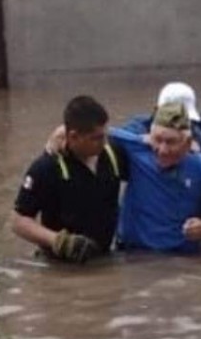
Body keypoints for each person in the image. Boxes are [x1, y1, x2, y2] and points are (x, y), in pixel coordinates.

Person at [111, 102, 201, 254]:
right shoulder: (137, 150)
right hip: (131, 254)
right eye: (158, 140)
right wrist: (139, 140)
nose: (163, 150)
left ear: (188, 143)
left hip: (180, 257)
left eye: (171, 142)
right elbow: (99, 131)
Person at [12, 95, 126, 263]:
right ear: (73, 136)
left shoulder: (113, 155)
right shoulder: (47, 167)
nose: (103, 142)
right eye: (95, 138)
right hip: (59, 267)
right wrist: (58, 241)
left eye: (104, 135)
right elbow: (18, 221)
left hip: (105, 260)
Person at [122, 81, 201, 159]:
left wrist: (199, 156)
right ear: (157, 111)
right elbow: (115, 138)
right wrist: (140, 140)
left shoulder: (194, 132)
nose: (177, 126)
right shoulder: (139, 126)